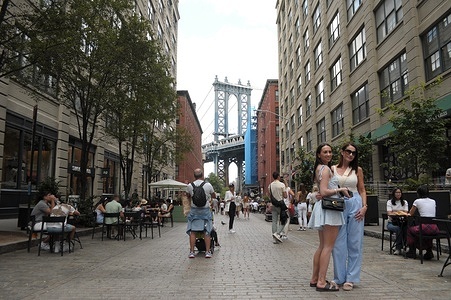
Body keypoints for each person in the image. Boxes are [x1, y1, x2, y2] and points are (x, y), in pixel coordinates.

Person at [308, 143, 347, 292]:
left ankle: (315, 278)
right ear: (319, 154)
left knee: (322, 246)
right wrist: (341, 189)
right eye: (325, 152)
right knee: (328, 247)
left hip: (324, 208)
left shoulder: (320, 168)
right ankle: (321, 282)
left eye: (330, 151)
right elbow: (324, 191)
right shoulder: (325, 170)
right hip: (330, 209)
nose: (328, 154)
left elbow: (320, 191)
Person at [331, 142, 367, 292]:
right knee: (338, 243)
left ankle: (351, 278)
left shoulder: (357, 170)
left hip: (355, 203)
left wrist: (365, 207)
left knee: (355, 242)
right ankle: (339, 277)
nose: (351, 154)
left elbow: (362, 189)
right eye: (348, 151)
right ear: (342, 152)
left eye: (353, 153)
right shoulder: (332, 169)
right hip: (338, 205)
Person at [186, 168, 216, 258]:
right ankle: (207, 252)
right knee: (207, 232)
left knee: (193, 232)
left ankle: (191, 252)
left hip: (194, 211)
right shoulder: (208, 185)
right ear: (202, 175)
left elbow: (188, 196)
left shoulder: (190, 186)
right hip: (205, 211)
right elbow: (214, 196)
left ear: (194, 176)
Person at [405, 185, 439, 260]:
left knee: (410, 230)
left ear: (418, 193)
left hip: (424, 227)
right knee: (426, 233)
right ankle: (429, 250)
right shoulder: (433, 201)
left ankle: (412, 251)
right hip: (434, 227)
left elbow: (411, 214)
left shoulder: (417, 201)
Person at [386, 187, 409, 255]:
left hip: (402, 222)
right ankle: (398, 248)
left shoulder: (404, 202)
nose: (398, 194)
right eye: (396, 192)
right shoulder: (389, 202)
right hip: (392, 223)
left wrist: (395, 211)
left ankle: (405, 245)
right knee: (398, 229)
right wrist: (400, 212)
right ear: (394, 194)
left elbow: (406, 212)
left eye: (399, 192)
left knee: (406, 228)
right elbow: (389, 213)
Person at [268, 171, 287, 244]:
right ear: (278, 176)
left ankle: (274, 238)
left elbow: (270, 194)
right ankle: (277, 233)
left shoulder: (270, 185)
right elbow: (285, 196)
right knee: (284, 219)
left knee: (274, 221)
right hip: (281, 205)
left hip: (274, 204)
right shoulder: (281, 185)